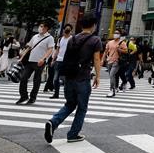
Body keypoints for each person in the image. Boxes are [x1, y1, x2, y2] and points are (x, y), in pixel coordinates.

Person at [44, 14, 102, 144]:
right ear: (93, 26)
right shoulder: (95, 40)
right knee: (82, 107)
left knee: (70, 104)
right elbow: (97, 59)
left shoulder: (72, 39)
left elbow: (67, 58)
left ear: (81, 25)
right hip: (83, 78)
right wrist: (97, 76)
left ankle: (53, 122)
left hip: (69, 77)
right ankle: (73, 134)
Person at [17, 21, 55, 105]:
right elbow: (29, 47)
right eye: (40, 26)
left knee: (36, 80)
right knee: (23, 78)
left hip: (39, 62)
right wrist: (22, 58)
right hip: (30, 61)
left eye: (42, 26)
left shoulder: (49, 38)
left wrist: (44, 59)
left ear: (46, 28)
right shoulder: (35, 36)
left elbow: (50, 49)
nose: (40, 28)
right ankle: (23, 96)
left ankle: (32, 97)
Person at [49, 24, 74, 99]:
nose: (67, 30)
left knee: (67, 79)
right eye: (66, 29)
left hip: (68, 62)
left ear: (71, 31)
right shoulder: (60, 39)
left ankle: (68, 94)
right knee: (56, 79)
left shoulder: (72, 39)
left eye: (69, 29)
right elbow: (57, 49)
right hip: (59, 60)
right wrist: (53, 59)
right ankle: (56, 94)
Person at [102, 29, 127, 97]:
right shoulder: (110, 42)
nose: (115, 34)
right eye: (115, 33)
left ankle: (111, 90)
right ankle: (115, 87)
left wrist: (120, 49)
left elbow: (126, 51)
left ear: (120, 35)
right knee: (111, 76)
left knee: (112, 75)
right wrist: (102, 60)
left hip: (117, 61)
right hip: (109, 61)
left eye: (117, 33)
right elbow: (106, 51)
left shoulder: (122, 42)